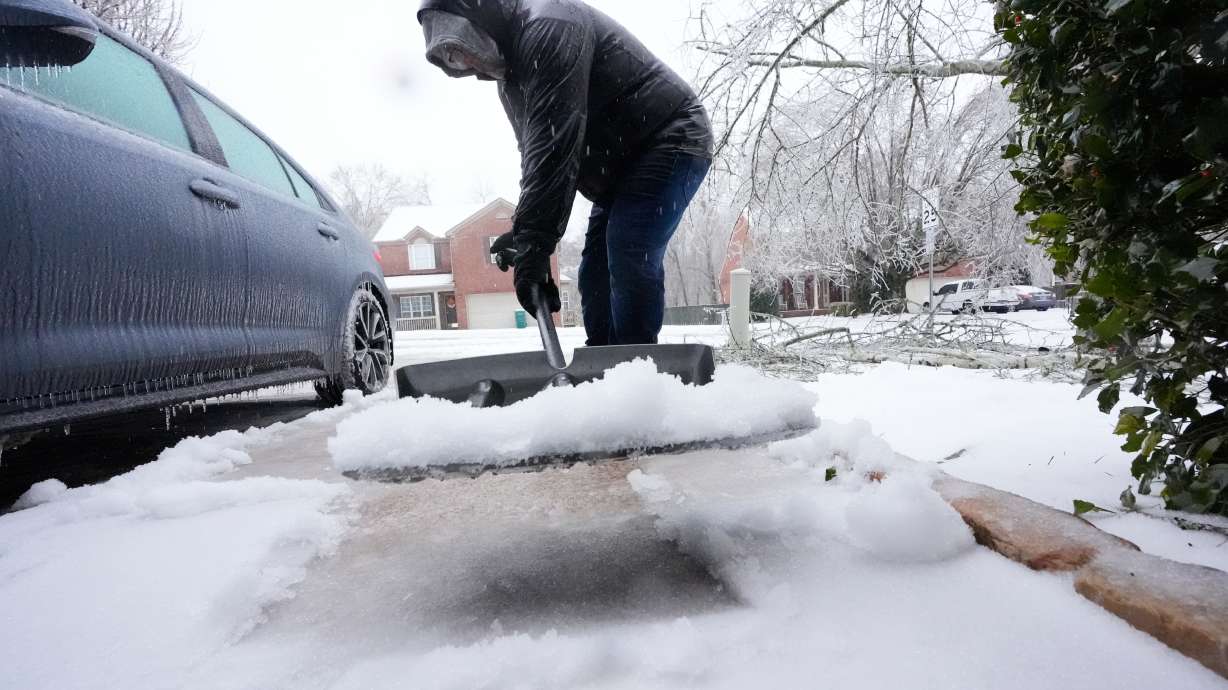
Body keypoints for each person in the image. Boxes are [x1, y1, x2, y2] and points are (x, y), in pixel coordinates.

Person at [418, 0, 713, 346]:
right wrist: (527, 231)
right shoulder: (512, 79)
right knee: (594, 274)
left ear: (486, 17)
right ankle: (604, 369)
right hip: (617, 167)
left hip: (668, 136)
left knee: (629, 247)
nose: (468, 62)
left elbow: (556, 146)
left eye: (466, 45)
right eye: (454, 57)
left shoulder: (552, 26)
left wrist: (537, 246)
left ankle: (638, 370)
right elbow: (537, 158)